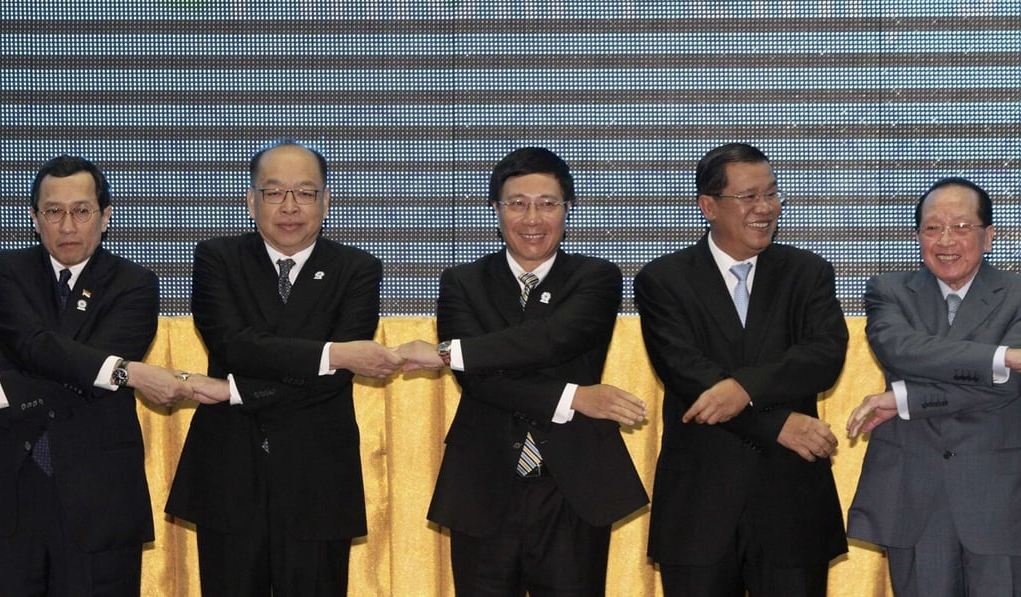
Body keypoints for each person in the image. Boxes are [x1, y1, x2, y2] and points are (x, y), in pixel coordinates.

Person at [399, 147, 649, 596]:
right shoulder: (462, 281)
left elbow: (553, 339)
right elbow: (479, 380)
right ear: (496, 209)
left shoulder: (597, 277)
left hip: (573, 484)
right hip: (482, 482)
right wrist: (575, 397)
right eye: (517, 203)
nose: (532, 217)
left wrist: (448, 352)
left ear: (567, 210)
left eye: (547, 203)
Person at [165, 140, 405, 596]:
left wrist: (234, 392)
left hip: (317, 479)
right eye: (274, 193)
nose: (290, 206)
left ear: (326, 201)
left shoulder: (357, 269)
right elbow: (233, 346)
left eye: (305, 193)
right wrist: (330, 353)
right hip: (230, 474)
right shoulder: (218, 259)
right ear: (251, 201)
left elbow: (331, 382)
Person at [633, 143, 848, 596]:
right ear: (708, 206)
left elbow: (823, 356)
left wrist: (744, 388)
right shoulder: (663, 280)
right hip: (699, 509)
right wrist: (776, 424)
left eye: (771, 194)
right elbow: (687, 373)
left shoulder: (808, 273)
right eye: (748, 197)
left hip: (792, 507)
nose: (765, 208)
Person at [0, 155, 197, 595]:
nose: (68, 225)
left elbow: (52, 356)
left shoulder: (135, 283)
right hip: (10, 493)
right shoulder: (5, 273)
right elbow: (31, 343)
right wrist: (127, 374)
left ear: (105, 218)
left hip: (98, 496)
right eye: (54, 211)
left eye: (82, 211)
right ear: (34, 218)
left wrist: (5, 389)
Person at [846, 177, 1021, 596]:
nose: (946, 240)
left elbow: (1007, 388)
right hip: (913, 494)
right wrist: (997, 357)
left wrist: (904, 398)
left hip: (999, 496)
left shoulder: (1017, 294)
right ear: (917, 235)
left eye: (961, 227)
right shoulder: (888, 290)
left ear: (989, 236)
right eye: (932, 228)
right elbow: (901, 351)